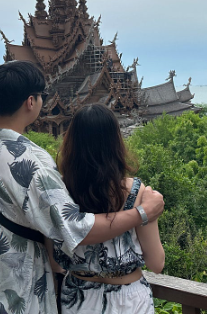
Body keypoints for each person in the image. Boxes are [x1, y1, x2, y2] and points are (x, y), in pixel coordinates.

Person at [0, 61, 164, 314]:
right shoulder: (32, 162)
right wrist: (143, 212)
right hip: (21, 296)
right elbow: (76, 230)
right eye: (42, 96)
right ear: (31, 102)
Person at [50, 103, 164, 314]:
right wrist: (149, 212)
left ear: (72, 143)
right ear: (115, 143)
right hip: (129, 301)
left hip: (77, 299)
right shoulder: (136, 192)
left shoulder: (59, 191)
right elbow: (156, 263)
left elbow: (54, 260)